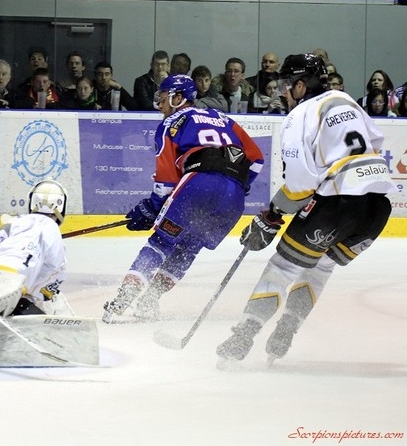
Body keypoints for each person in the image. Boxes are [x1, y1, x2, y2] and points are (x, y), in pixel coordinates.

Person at [216, 53, 396, 364]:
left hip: (338, 202)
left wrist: (272, 215)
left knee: (284, 267)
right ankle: (288, 327)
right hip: (377, 207)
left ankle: (243, 336)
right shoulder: (345, 99)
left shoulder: (299, 116)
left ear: (301, 85)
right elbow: (375, 140)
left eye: (287, 85)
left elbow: (301, 184)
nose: (283, 91)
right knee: (323, 267)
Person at [103, 74, 264, 323]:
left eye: (164, 98)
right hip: (233, 198)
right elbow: (257, 161)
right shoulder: (225, 120)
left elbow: (166, 179)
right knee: (189, 248)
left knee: (161, 242)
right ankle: (149, 301)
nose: (160, 105)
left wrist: (152, 207)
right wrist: (237, 185)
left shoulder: (173, 122)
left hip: (199, 184)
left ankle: (123, 299)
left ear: (178, 98)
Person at [0, 180, 94, 366]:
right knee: (32, 312)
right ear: (61, 206)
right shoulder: (51, 229)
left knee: (5, 302)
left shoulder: (13, 224)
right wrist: (40, 299)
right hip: (4, 281)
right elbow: (55, 272)